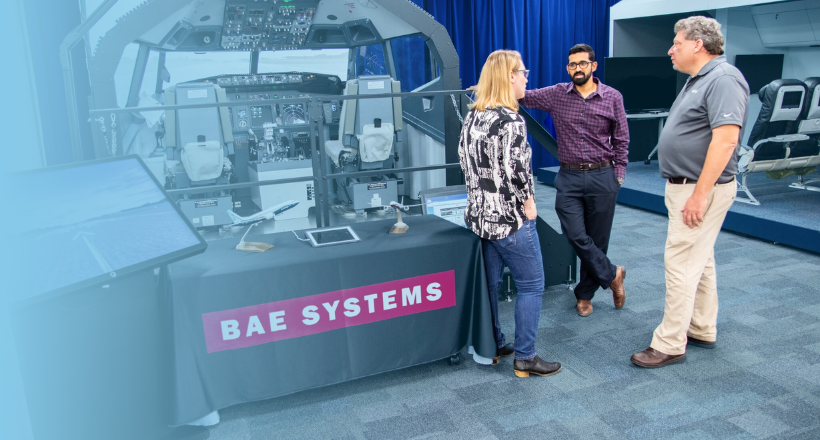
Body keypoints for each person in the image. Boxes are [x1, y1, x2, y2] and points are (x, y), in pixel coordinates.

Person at [631, 16, 748, 368]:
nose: (670, 49)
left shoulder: (724, 79)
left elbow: (726, 140)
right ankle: (701, 326)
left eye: (676, 42)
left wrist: (699, 194)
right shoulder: (700, 79)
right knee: (701, 258)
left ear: (698, 44)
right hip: (689, 186)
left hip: (699, 189)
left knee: (680, 262)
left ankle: (669, 343)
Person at [458, 50, 561, 378]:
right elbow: (517, 170)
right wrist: (529, 202)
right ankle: (526, 358)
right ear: (510, 77)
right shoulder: (510, 120)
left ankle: (496, 344)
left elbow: (464, 161)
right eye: (524, 73)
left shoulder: (473, 114)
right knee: (531, 285)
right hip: (510, 221)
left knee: (489, 286)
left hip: (481, 219)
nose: (527, 79)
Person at [518, 44, 629, 317]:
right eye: (572, 64)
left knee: (598, 239)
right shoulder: (557, 94)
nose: (577, 68)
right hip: (568, 175)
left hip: (603, 175)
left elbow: (622, 138)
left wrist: (619, 174)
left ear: (593, 66)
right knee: (576, 235)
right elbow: (524, 96)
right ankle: (612, 273)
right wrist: (491, 87)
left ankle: (584, 295)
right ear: (568, 68)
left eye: (582, 63)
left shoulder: (613, 97)